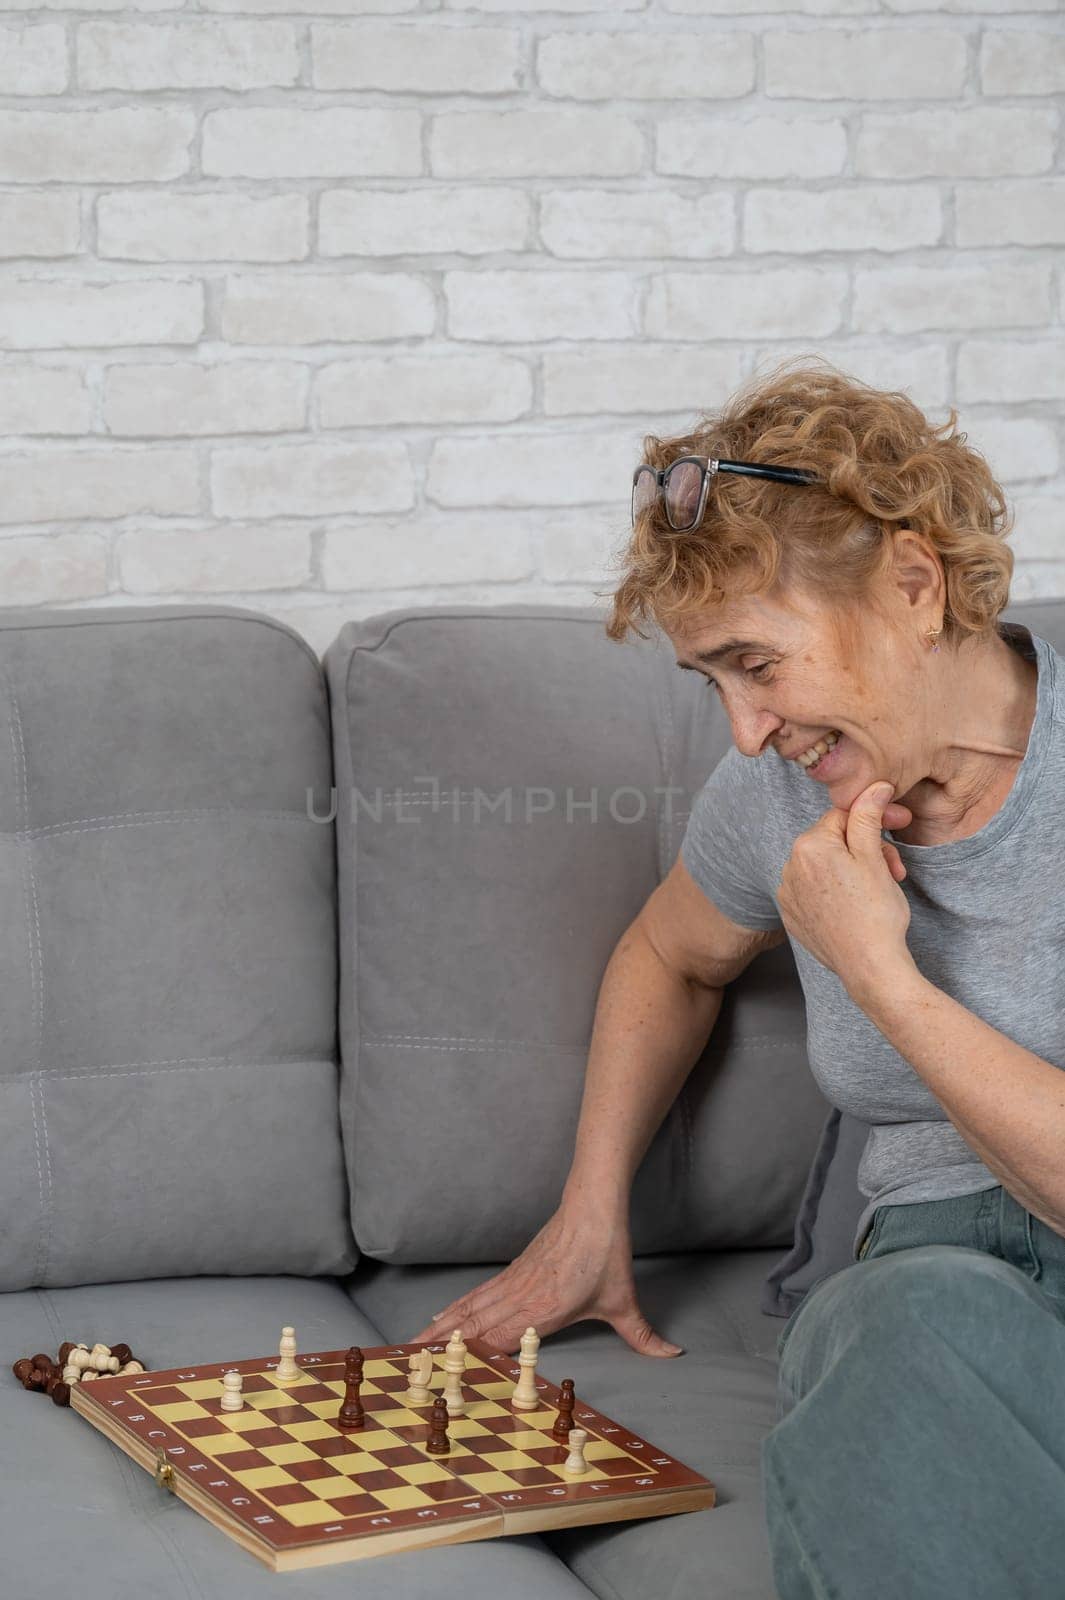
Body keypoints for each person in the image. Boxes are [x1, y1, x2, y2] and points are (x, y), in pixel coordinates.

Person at [410, 356, 1065, 1596]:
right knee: (901, 1339)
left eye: (757, 665)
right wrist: (590, 1209)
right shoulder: (772, 799)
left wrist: (884, 976)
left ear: (915, 584)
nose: (746, 732)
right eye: (709, 681)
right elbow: (667, 955)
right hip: (921, 1287)